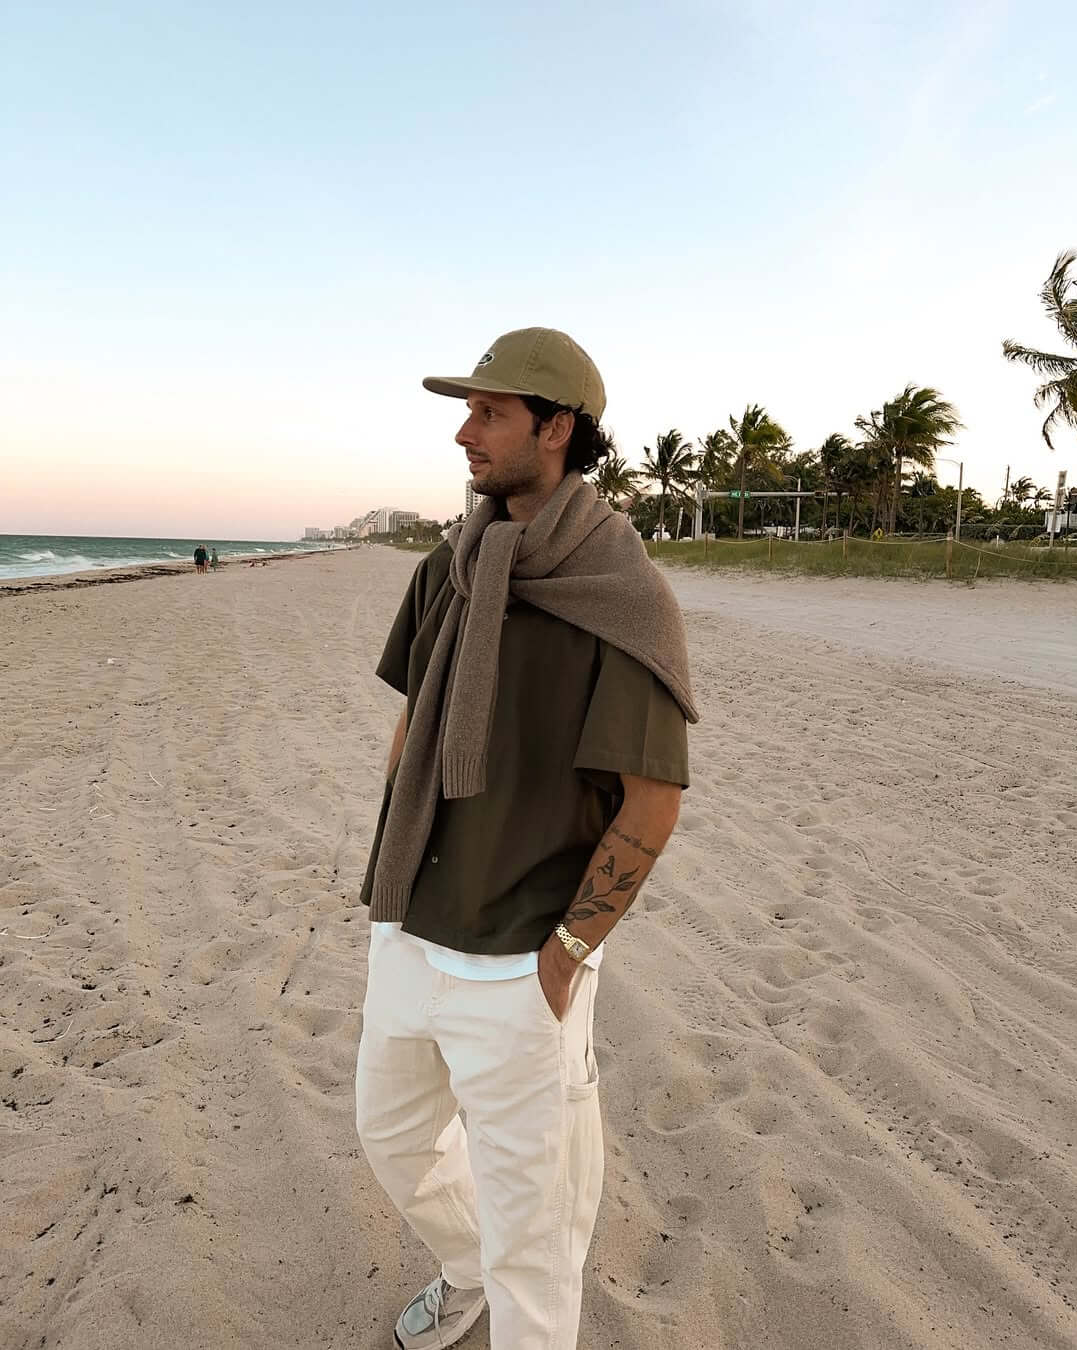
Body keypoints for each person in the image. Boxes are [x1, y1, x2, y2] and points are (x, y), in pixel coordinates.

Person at [355, 327, 697, 1349]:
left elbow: (650, 803)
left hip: (522, 963)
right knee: (394, 1138)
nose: (465, 433)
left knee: (535, 1235)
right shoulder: (450, 569)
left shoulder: (623, 603)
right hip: (412, 928)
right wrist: (393, 874)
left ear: (556, 430)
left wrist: (567, 957)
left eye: (489, 412)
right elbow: (413, 722)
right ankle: (464, 1276)